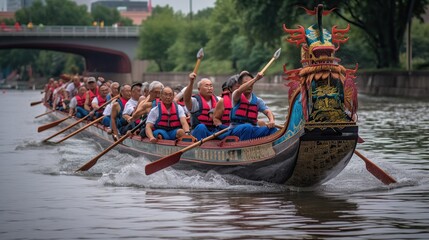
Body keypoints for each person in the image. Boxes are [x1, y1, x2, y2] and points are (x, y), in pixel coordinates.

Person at [228, 71, 277, 141]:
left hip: (253, 129)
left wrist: (271, 120)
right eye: (246, 83)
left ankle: (270, 147)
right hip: (236, 129)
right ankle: (244, 147)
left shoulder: (257, 100)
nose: (249, 85)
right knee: (247, 127)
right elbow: (239, 91)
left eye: (251, 83)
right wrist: (255, 79)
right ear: (240, 85)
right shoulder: (236, 95)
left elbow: (268, 112)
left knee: (272, 129)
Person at [183, 73, 218, 140]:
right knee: (201, 127)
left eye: (211, 86)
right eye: (206, 86)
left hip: (213, 131)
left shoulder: (218, 100)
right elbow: (186, 99)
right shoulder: (195, 101)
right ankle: (199, 148)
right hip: (198, 131)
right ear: (199, 89)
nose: (209, 88)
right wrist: (191, 82)